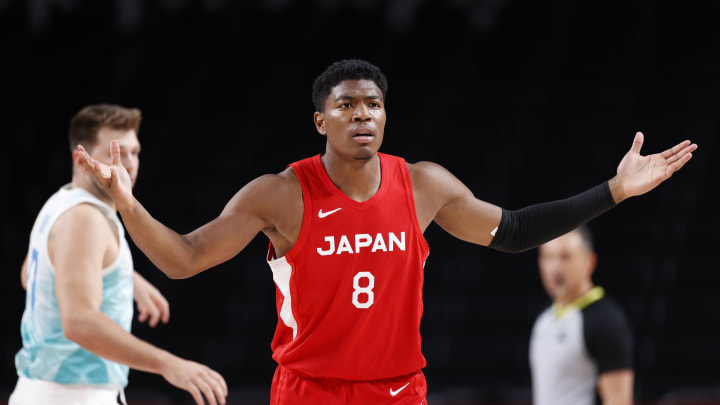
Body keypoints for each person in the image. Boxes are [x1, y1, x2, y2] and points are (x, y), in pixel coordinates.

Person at [76, 60, 696, 405]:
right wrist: (127, 204)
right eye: (346, 105)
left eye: (372, 104)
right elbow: (184, 259)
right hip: (307, 390)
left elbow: (514, 231)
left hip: (398, 390)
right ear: (321, 120)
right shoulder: (280, 194)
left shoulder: (423, 185)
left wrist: (614, 191)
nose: (362, 114)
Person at [11, 105, 228, 405]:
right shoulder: (85, 219)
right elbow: (79, 323)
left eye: (134, 152)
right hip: (72, 395)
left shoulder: (59, 202)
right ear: (80, 159)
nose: (128, 164)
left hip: (47, 390)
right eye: (115, 154)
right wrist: (170, 364)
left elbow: (30, 275)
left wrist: (125, 275)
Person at [530, 226, 634, 405]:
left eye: (565, 257)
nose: (555, 267)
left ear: (589, 262)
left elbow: (619, 400)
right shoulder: (544, 320)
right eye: (548, 257)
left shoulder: (607, 321)